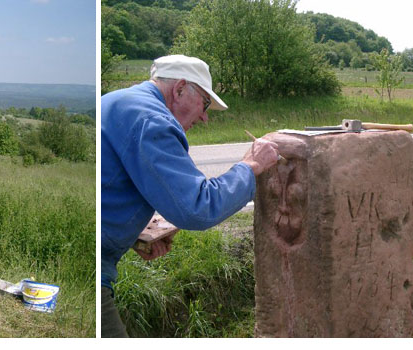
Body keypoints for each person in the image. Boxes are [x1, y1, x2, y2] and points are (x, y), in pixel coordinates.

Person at [100, 55, 281, 337]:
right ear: (180, 88)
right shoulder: (153, 121)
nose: (206, 117)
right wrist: (250, 167)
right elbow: (198, 207)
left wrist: (133, 234)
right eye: (206, 104)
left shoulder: (119, 101)